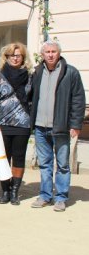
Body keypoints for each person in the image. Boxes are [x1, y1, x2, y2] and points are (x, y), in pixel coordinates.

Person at [30, 40, 85, 212]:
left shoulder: (70, 72)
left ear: (59, 53)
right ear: (43, 54)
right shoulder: (37, 72)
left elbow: (78, 100)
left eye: (54, 51)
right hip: (40, 126)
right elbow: (32, 97)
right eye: (47, 52)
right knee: (45, 164)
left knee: (62, 164)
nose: (51, 54)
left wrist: (75, 124)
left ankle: (61, 197)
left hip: (60, 127)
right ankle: (45, 195)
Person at [0, 42, 33, 205]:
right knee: (3, 159)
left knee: (19, 158)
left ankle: (15, 192)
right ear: (6, 57)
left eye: (18, 55)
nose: (15, 58)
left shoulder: (29, 75)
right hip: (2, 124)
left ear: (23, 57)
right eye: (11, 55)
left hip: (23, 124)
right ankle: (5, 190)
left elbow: (32, 99)